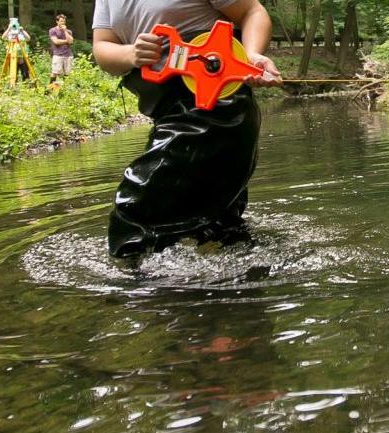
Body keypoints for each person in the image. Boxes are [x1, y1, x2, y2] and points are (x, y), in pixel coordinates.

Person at [90, 0, 283, 259]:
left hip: (218, 112)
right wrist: (131, 54)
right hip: (167, 112)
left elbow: (252, 11)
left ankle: (133, 295)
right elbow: (102, 46)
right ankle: (236, 292)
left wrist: (251, 55)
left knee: (136, 215)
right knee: (217, 228)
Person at [2, 18, 34, 85]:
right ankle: (13, 87)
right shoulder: (9, 33)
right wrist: (8, 29)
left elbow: (28, 38)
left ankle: (26, 86)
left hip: (22, 56)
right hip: (13, 56)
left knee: (25, 73)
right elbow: (3, 37)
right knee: (13, 74)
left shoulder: (21, 32)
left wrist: (22, 30)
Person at [48, 14, 75, 83]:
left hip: (68, 55)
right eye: (61, 21)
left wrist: (65, 31)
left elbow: (71, 41)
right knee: (55, 72)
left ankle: (66, 90)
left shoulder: (68, 31)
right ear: (57, 22)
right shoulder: (52, 30)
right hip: (58, 55)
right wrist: (67, 41)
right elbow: (56, 41)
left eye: (64, 21)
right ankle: (49, 89)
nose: (63, 23)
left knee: (68, 74)